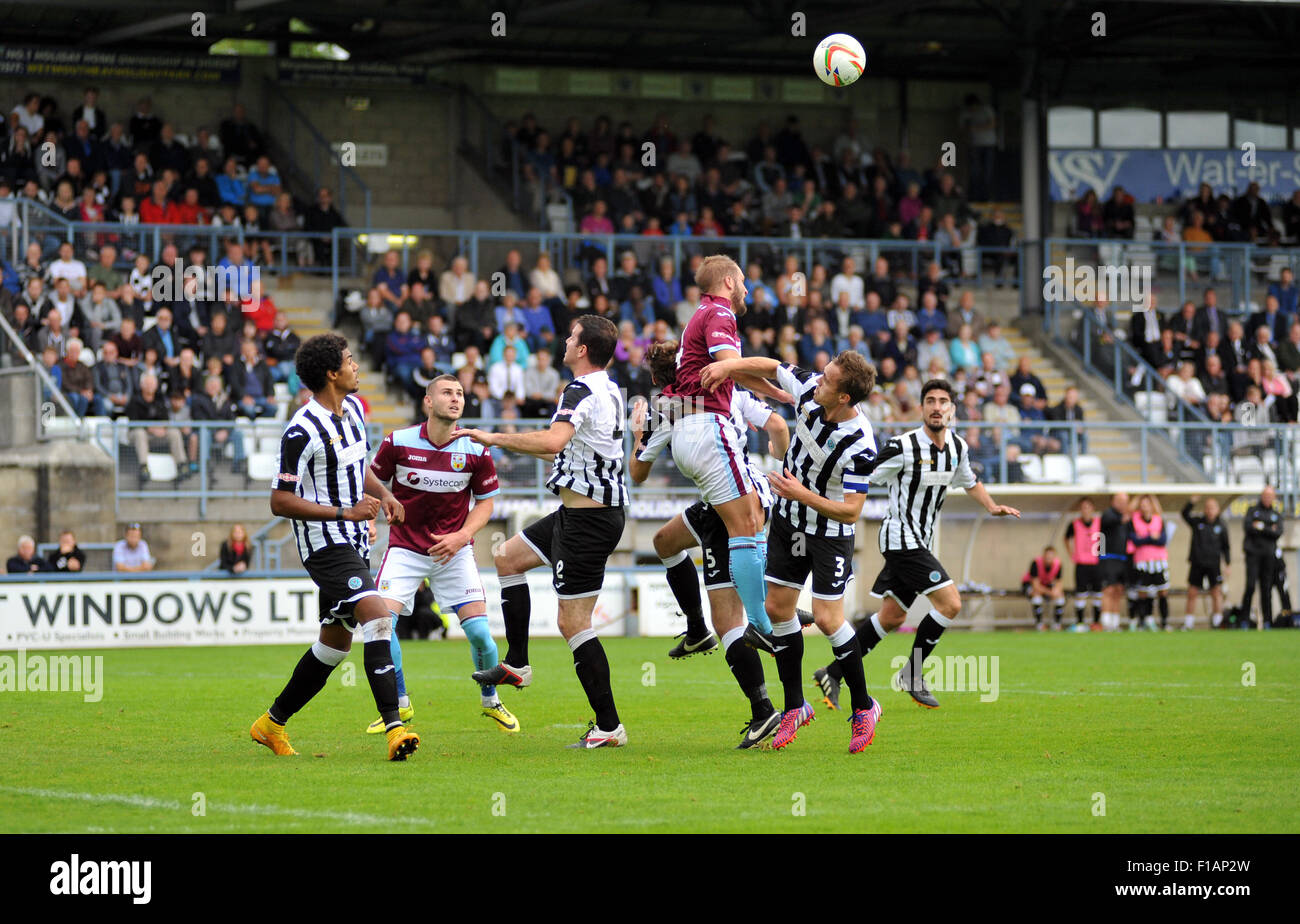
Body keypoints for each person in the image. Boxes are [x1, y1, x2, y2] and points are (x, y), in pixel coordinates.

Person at [456, 315, 630, 749]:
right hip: (578, 514)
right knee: (507, 558)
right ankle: (517, 662)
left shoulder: (580, 389)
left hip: (589, 522)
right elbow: (572, 452)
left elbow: (554, 442)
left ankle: (609, 726)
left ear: (583, 349)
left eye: (572, 337)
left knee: (573, 623)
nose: (565, 342)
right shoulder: (610, 388)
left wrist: (494, 438)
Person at [249, 333, 419, 762]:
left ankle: (271, 723)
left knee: (333, 647)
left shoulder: (356, 411)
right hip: (325, 546)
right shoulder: (299, 431)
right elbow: (279, 501)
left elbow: (359, 467)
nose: (356, 365)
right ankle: (395, 727)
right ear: (331, 373)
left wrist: (387, 495)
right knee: (379, 618)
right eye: (349, 359)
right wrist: (345, 513)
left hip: (355, 541)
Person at [701, 349, 881, 752]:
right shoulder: (810, 392)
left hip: (830, 532)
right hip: (788, 523)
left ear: (844, 398)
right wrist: (729, 366)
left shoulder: (860, 445)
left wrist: (802, 493)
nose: (818, 381)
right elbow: (771, 366)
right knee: (778, 610)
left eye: (828, 381)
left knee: (827, 618)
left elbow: (852, 512)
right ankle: (794, 707)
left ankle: (864, 707)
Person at [812, 379, 1021, 712]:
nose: (937, 407)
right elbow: (864, 473)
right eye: (930, 401)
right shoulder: (902, 446)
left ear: (952, 409)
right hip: (899, 537)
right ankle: (912, 673)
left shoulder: (957, 449)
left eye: (943, 401)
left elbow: (970, 481)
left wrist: (992, 506)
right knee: (951, 603)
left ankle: (832, 673)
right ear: (922, 408)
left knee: (892, 617)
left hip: (919, 541)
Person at [629, 342, 789, 748]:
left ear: (655, 380)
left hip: (729, 502)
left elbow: (639, 472)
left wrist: (636, 434)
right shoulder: (728, 388)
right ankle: (697, 628)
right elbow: (777, 425)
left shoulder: (669, 405)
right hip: (739, 491)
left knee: (729, 622)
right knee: (665, 540)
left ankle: (763, 709)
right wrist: (782, 464)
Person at [365, 373, 519, 736]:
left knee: (481, 634)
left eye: (460, 393)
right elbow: (370, 482)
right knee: (381, 626)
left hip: (455, 551)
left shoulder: (476, 449)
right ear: (428, 402)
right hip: (404, 548)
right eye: (447, 392)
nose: (456, 398)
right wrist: (370, 516)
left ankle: (490, 699)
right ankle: (400, 701)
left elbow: (486, 503)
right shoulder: (398, 442)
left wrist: (462, 535)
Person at [658, 255, 786, 649]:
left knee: (743, 522)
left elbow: (733, 369)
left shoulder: (699, 316)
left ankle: (756, 616)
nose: (747, 289)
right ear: (728, 282)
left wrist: (779, 393)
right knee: (749, 522)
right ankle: (763, 623)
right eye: (744, 282)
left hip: (689, 434)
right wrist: (783, 386)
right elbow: (733, 365)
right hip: (708, 428)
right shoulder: (720, 314)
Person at [1182, 496, 1230, 630]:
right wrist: (1191, 502)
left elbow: (1226, 547)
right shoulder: (1198, 522)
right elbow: (1184, 514)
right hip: (1197, 563)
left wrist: (1228, 564)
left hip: (1213, 564)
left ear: (1218, 509)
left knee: (1216, 592)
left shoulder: (1221, 525)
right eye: (1208, 508)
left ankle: (1217, 621)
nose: (1210, 510)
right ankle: (1189, 622)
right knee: (1192, 592)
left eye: (1213, 508)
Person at [1241, 485, 1284, 629]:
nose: (1267, 498)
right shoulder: (1252, 510)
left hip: (1269, 556)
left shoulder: (1276, 514)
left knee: (1266, 589)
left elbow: (1277, 533)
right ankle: (1245, 619)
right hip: (1253, 555)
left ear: (1274, 498)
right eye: (1265, 495)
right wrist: (1268, 528)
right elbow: (1248, 527)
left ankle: (1267, 621)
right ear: (1261, 496)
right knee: (1250, 586)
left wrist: (1260, 526)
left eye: (1270, 496)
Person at [1127, 494, 1170, 631]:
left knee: (1161, 591)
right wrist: (1151, 537)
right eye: (1142, 504)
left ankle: (1164, 623)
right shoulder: (1134, 521)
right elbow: (1135, 540)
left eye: (1147, 503)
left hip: (1158, 561)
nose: (1145, 506)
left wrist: (1145, 538)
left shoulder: (1159, 520)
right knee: (1143, 591)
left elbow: (1163, 540)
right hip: (1142, 561)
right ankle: (1143, 621)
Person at [1064, 498, 1103, 630]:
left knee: (1097, 594)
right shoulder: (1074, 524)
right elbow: (1066, 538)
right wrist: (1071, 554)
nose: (1085, 510)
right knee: (1080, 594)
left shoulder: (1099, 522)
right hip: (1081, 564)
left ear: (1092, 509)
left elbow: (1101, 538)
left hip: (1095, 564)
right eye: (1083, 507)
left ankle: (1096, 623)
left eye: (1088, 507)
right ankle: (1080, 622)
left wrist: (1100, 554)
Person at [1022, 545, 1066, 630]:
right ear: (1043, 556)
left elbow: (1059, 583)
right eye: (1047, 556)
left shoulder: (1058, 564)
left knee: (1060, 596)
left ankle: (1057, 624)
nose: (1048, 558)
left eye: (1051, 556)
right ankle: (1039, 624)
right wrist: (1050, 593)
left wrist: (1056, 591)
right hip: (1028, 584)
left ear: (1054, 557)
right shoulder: (1036, 563)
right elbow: (1036, 586)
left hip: (1046, 584)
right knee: (1036, 595)